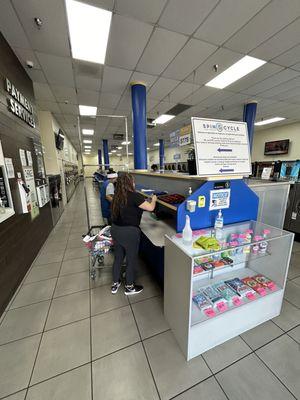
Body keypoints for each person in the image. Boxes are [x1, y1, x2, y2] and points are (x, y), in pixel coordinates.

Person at [110, 173, 157, 295]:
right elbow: (151, 208)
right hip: (129, 233)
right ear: (129, 183)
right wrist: (154, 200)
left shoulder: (117, 196)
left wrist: (144, 201)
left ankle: (115, 283)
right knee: (131, 259)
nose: (134, 183)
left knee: (118, 257)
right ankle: (129, 287)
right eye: (133, 181)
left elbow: (131, 205)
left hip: (115, 229)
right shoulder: (134, 196)